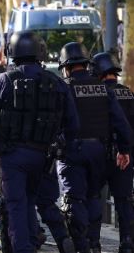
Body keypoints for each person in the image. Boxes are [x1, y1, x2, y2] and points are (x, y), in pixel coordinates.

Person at [0, 31, 79, 253]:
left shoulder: (5, 80)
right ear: (40, 52)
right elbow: (73, 124)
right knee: (34, 199)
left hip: (13, 156)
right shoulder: (56, 83)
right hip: (44, 156)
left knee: (16, 204)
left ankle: (24, 248)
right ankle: (58, 238)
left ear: (12, 52)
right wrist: (59, 145)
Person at [57, 44, 131, 253]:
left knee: (75, 199)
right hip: (101, 150)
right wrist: (124, 149)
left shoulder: (64, 87)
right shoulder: (105, 90)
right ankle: (105, 243)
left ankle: (86, 244)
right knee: (95, 197)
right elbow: (120, 122)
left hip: (73, 151)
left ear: (67, 66)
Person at [90, 52, 134, 253]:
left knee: (94, 198)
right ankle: (127, 242)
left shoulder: (96, 93)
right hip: (125, 156)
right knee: (124, 202)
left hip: (100, 154)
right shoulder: (128, 93)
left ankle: (94, 243)